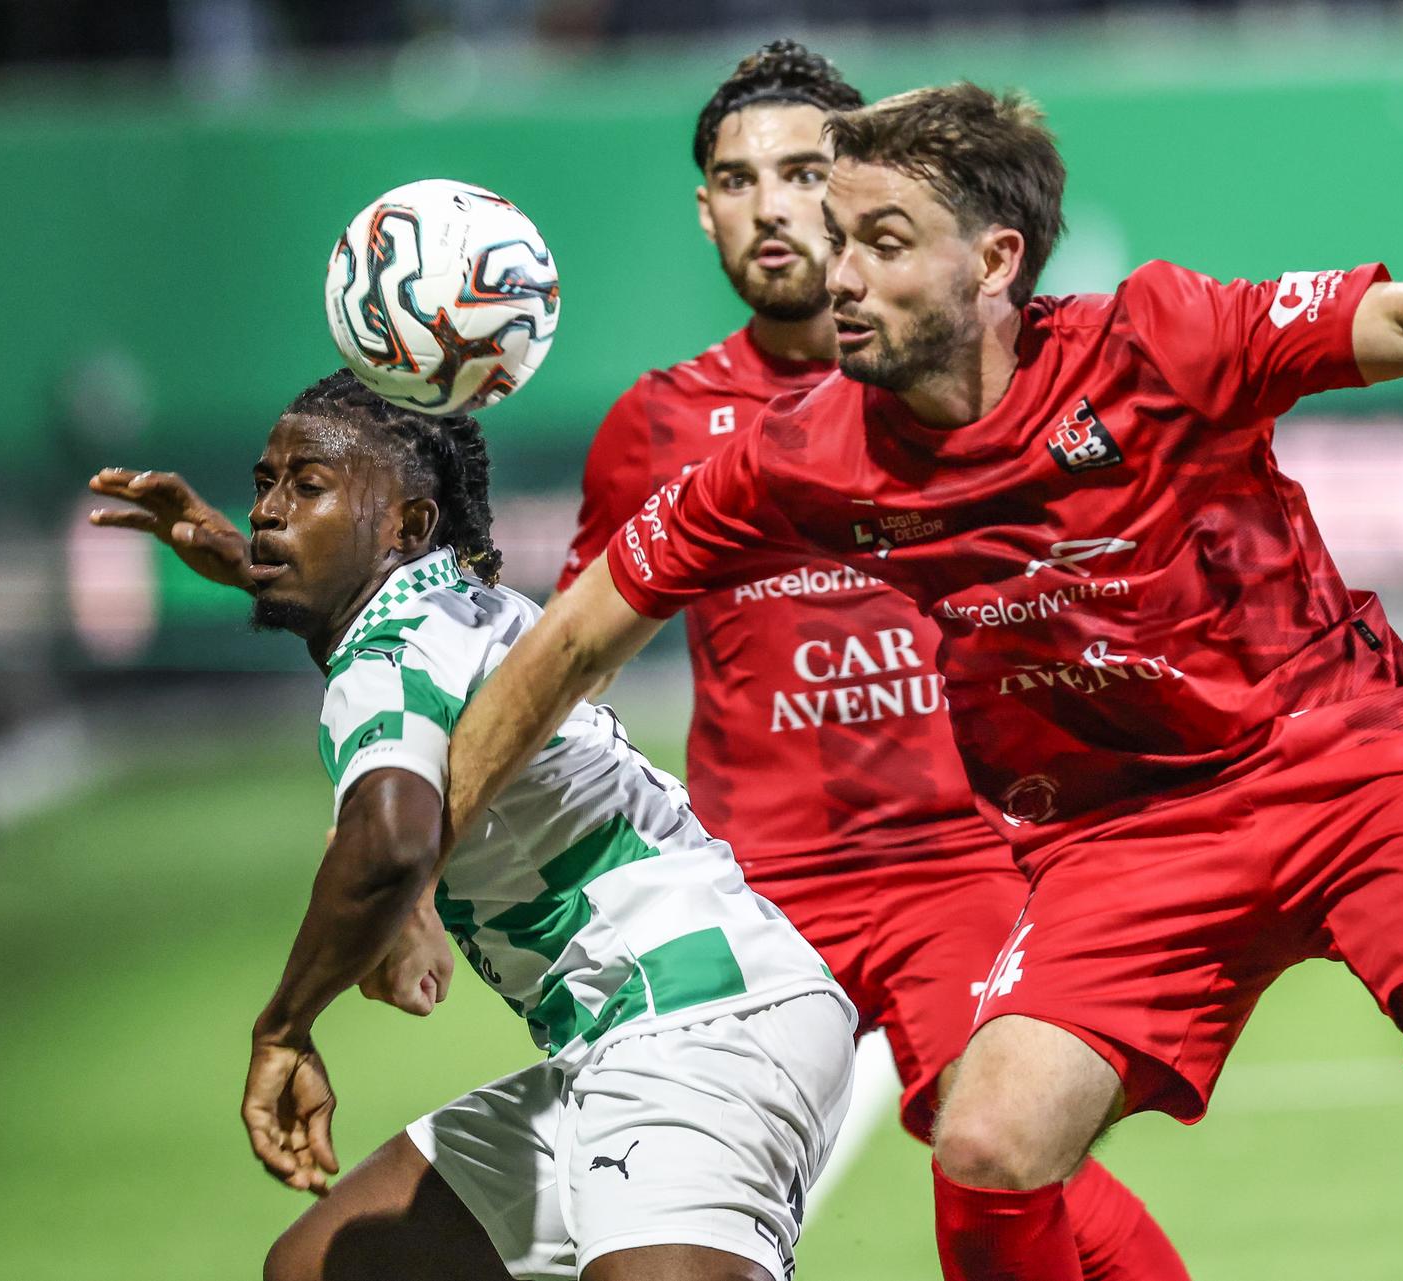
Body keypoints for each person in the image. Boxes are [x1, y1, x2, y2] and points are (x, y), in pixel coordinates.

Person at [421, 85, 1403, 1281]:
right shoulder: (803, 457)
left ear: (995, 261)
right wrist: (418, 856)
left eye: (882, 240)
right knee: (988, 1150)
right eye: (838, 239)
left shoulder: (1161, 343)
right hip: (1123, 834)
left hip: (1344, 763)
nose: (841, 275)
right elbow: (572, 638)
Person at [559, 41, 1184, 1279]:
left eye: (802, 173)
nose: (771, 204)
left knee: (997, 1159)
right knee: (648, 1200)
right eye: (736, 181)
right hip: (747, 892)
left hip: (948, 861)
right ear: (705, 210)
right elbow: (577, 660)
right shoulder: (656, 425)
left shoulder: (967, 387)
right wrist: (440, 800)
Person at [85, 370, 857, 1281]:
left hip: (699, 1026)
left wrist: (284, 1028)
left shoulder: (390, 651)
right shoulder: (447, 599)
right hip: (625, 1037)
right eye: (265, 484)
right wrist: (217, 541)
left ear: (411, 526)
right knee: (328, 1268)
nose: (267, 512)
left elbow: (390, 842)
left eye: (309, 486)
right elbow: (336, 589)